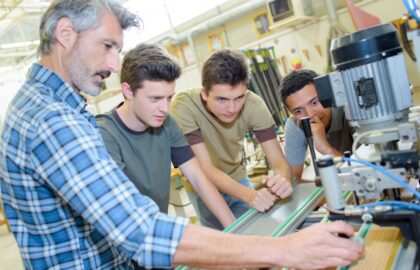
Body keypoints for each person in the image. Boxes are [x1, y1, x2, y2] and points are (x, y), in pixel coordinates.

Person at [0, 1, 363, 269]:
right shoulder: (51, 119)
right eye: (107, 46)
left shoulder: (57, 108)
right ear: (65, 33)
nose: (112, 64)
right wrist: (284, 250)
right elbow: (142, 232)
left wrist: (238, 235)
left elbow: (193, 183)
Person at [96, 43, 235, 229]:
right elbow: (121, 207)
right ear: (128, 91)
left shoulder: (167, 124)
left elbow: (198, 179)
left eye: (169, 98)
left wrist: (235, 229)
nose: (165, 108)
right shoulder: (104, 134)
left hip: (153, 231)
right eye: (155, 99)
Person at [170, 48, 293, 230]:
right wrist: (249, 195)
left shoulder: (254, 104)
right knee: (222, 243)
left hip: (237, 178)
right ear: (204, 93)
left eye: (238, 98)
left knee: (253, 231)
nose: (232, 108)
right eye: (222, 99)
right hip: (202, 188)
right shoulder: (184, 107)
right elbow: (205, 169)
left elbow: (278, 161)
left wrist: (282, 179)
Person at [279, 69, 353, 183]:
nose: (310, 115)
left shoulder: (349, 109)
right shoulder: (295, 125)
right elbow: (294, 181)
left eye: (314, 102)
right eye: (298, 111)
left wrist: (325, 147)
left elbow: (369, 174)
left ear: (326, 94)